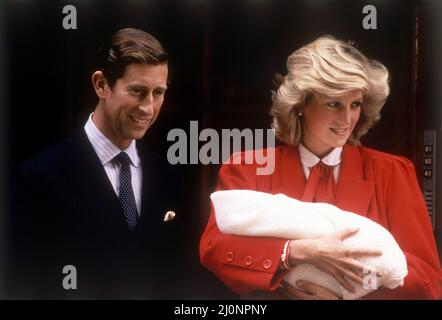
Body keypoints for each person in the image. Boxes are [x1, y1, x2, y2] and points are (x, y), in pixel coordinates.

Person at [199, 35, 442, 299]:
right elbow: (215, 248)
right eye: (334, 103)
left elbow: (427, 277)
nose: (347, 118)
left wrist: (348, 296)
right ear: (301, 104)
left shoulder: (393, 173)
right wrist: (293, 253)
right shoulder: (247, 168)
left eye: (355, 104)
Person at [9, 28, 190, 299]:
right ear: (101, 85)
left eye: (158, 92)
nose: (148, 108)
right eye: (138, 91)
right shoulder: (37, 177)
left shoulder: (167, 175)